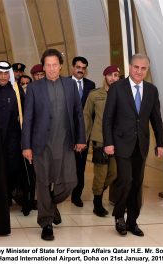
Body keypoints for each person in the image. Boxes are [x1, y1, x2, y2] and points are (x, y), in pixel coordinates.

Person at [22, 49, 86, 241]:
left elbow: (77, 114)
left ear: (60, 66)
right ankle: (46, 223)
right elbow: (28, 119)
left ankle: (49, 204)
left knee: (70, 182)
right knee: (42, 183)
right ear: (43, 67)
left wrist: (81, 138)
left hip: (65, 143)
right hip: (41, 144)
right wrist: (26, 146)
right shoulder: (34, 88)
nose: (51, 68)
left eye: (54, 64)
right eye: (47, 65)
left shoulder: (70, 85)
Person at [103, 54, 163, 237]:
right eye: (136, 67)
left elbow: (156, 119)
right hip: (121, 143)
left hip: (141, 145)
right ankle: (119, 218)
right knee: (125, 181)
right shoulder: (117, 88)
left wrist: (160, 143)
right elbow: (108, 119)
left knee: (137, 183)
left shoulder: (152, 90)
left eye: (143, 68)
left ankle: (132, 221)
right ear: (129, 67)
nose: (139, 71)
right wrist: (108, 142)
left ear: (147, 70)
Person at [0, 61, 34, 216]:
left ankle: (20, 197)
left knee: (15, 169)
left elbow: (26, 113)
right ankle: (3, 199)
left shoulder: (16, 89)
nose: (2, 76)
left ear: (10, 74)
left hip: (14, 139)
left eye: (6, 73)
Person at [84, 65, 120, 216]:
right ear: (105, 76)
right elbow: (86, 116)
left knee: (114, 173)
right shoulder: (95, 95)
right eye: (110, 75)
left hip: (117, 140)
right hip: (100, 140)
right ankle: (97, 203)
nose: (113, 78)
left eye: (116, 75)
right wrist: (83, 140)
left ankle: (98, 193)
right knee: (101, 174)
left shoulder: (122, 94)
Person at [70, 56, 96, 207]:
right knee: (63, 165)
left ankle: (76, 195)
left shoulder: (91, 85)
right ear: (73, 67)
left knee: (80, 166)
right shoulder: (64, 82)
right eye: (78, 67)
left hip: (83, 133)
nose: (80, 70)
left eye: (83, 68)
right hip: (66, 133)